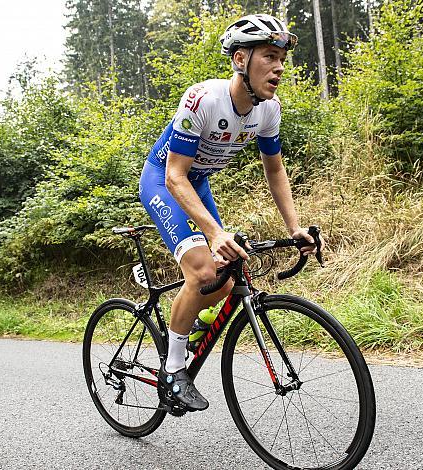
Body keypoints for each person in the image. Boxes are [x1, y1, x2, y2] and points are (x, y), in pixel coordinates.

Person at [139, 13, 318, 412]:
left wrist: (295, 227)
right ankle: (172, 370)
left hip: (197, 184)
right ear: (240, 59)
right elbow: (174, 176)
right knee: (204, 270)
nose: (279, 68)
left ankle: (190, 324)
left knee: (224, 275)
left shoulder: (268, 110)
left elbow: (275, 170)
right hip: (165, 181)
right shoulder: (203, 99)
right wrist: (214, 234)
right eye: (269, 56)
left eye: (282, 59)